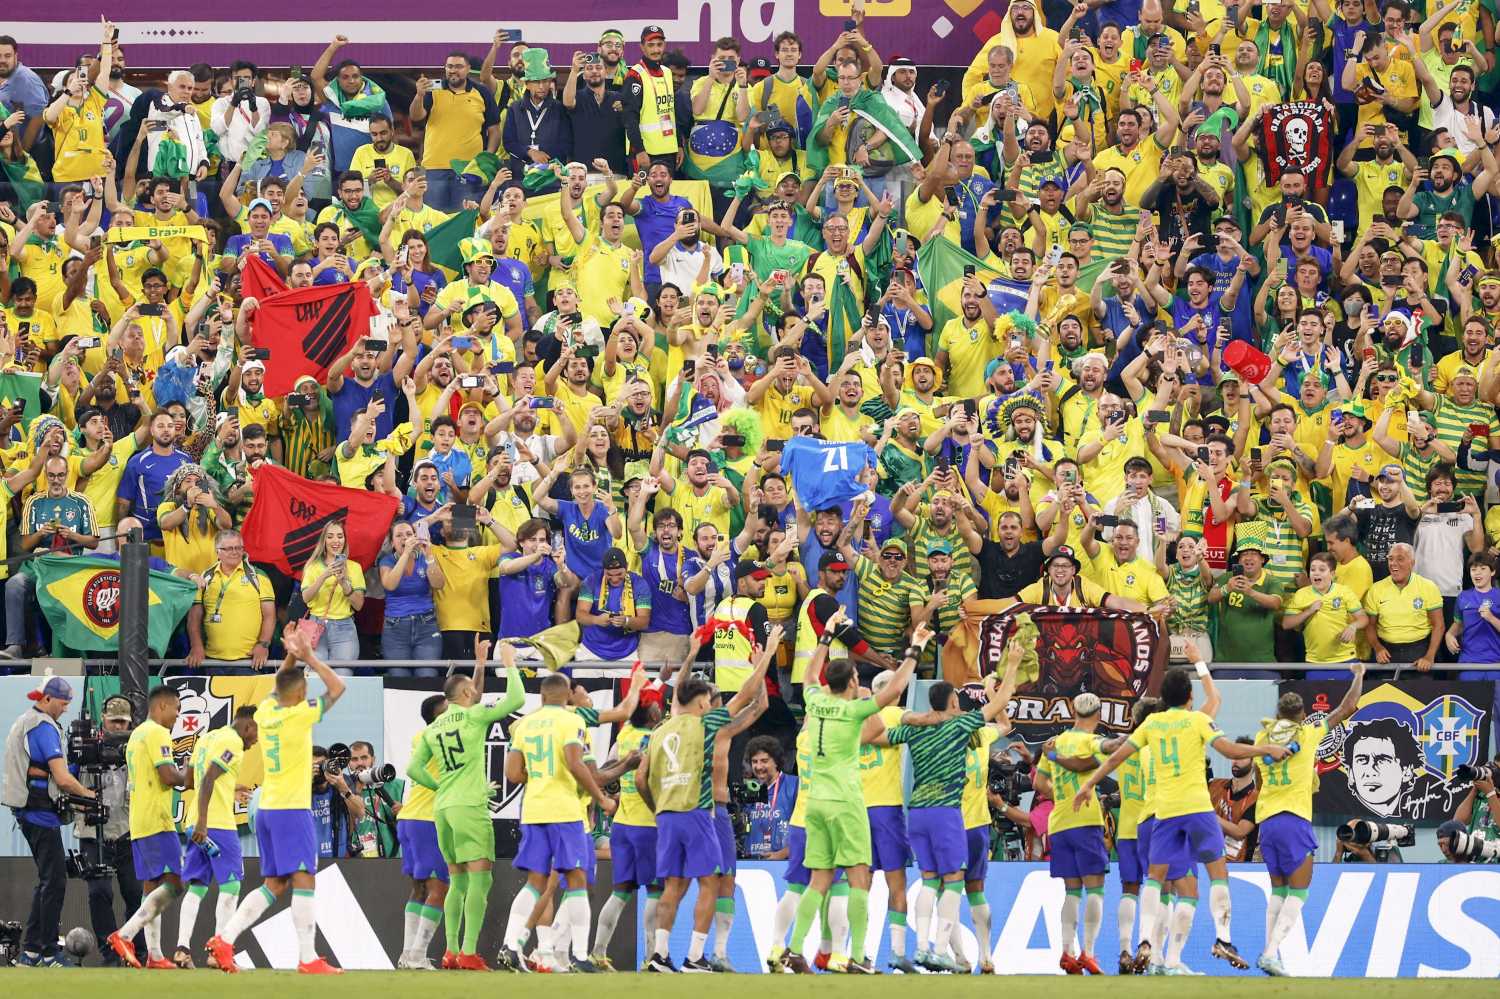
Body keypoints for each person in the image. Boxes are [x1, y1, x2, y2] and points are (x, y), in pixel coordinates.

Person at [1072, 666, 1291, 975]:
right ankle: (1223, 939)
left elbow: (1114, 758)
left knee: (1154, 878)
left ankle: (1145, 940)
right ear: (1190, 697)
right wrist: (1264, 748)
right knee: (1217, 873)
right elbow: (1227, 748)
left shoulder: (1153, 725)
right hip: (1197, 809)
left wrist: (1087, 785)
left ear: (1163, 697)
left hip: (1163, 812)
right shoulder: (1198, 720)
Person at [779, 616, 931, 975]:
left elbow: (810, 673)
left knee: (818, 880)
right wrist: (915, 649)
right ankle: (859, 956)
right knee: (860, 877)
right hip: (846, 801)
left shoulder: (813, 700)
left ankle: (794, 948)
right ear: (852, 682)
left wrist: (826, 635)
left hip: (813, 801)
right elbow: (893, 691)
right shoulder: (852, 711)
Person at [862, 639, 1023, 973]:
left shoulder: (913, 730)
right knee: (953, 879)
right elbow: (1003, 703)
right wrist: (1012, 666)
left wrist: (866, 713)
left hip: (916, 812)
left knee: (930, 878)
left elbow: (875, 738)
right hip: (947, 812)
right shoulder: (960, 726)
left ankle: (921, 947)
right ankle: (936, 948)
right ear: (952, 701)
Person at [636, 624, 780, 972]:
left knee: (683, 883)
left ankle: (669, 954)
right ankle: (698, 956)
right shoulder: (711, 723)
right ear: (706, 703)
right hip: (703, 811)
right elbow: (747, 696)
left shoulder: (663, 729)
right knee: (711, 881)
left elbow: (757, 702)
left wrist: (692, 653)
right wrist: (767, 656)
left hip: (671, 812)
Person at [206, 627, 348, 975]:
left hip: (267, 807)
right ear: (300, 693)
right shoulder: (298, 715)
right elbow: (338, 688)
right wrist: (310, 657)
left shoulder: (267, 712)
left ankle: (224, 940)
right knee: (304, 878)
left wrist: (292, 654)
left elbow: (277, 686)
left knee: (275, 883)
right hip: (289, 808)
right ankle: (307, 958)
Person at [408, 641, 525, 971]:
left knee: (457, 881)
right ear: (465, 695)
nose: (477, 692)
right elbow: (515, 699)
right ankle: (469, 953)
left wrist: (480, 663)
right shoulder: (474, 718)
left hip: (442, 809)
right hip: (470, 806)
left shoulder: (433, 729)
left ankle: (451, 951)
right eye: (474, 689)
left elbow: (414, 770)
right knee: (481, 880)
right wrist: (509, 663)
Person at [493, 662, 612, 972]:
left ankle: (510, 944)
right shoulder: (571, 721)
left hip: (534, 811)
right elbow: (575, 763)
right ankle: (581, 957)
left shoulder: (524, 725)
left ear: (542, 697)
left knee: (535, 881)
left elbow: (513, 773)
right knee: (576, 879)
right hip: (564, 810)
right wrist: (600, 797)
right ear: (567, 695)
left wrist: (538, 776)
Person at [1255, 665, 1366, 976]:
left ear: (1278, 714)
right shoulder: (1308, 733)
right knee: (1300, 891)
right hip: (1294, 819)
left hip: (1267, 822)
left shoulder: (1262, 737)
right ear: (1302, 715)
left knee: (1278, 890)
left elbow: (1257, 775)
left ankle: (1270, 954)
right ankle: (1270, 951)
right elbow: (1346, 707)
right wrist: (1358, 674)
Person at [2, 676, 97, 966]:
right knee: (54, 882)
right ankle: (47, 951)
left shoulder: (29, 721)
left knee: (48, 881)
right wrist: (91, 795)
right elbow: (64, 780)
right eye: (63, 703)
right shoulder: (41, 726)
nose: (66, 709)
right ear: (47, 699)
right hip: (38, 813)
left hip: (31, 812)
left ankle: (31, 950)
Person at [105, 686, 190, 969]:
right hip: (157, 820)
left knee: (152, 885)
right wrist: (187, 774)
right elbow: (169, 776)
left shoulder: (137, 734)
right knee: (176, 882)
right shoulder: (157, 733)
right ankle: (125, 934)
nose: (178, 716)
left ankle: (154, 954)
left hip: (139, 820)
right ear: (162, 706)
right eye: (176, 709)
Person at [1034, 692, 1112, 976]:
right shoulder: (1092, 741)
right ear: (1098, 714)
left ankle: (1067, 952)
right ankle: (1088, 953)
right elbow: (1084, 764)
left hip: (1060, 823)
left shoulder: (1057, 741)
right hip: (1086, 820)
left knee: (1071, 891)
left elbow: (1038, 781)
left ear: (1072, 711)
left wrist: (1062, 797)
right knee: (1096, 889)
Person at [176, 705, 259, 969]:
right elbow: (210, 777)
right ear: (247, 726)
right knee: (231, 886)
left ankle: (181, 949)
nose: (256, 740)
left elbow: (192, 779)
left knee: (197, 887)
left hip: (193, 822)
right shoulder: (233, 742)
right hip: (216, 824)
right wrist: (205, 821)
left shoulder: (208, 737)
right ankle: (219, 951)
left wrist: (230, 788)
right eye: (256, 733)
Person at [742, 735, 798, 860]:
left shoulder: (795, 786)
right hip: (753, 865)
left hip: (784, 864)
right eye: (754, 761)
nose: (758, 767)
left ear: (776, 761)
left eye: (764, 761)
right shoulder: (749, 790)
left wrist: (783, 854)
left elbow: (809, 829)